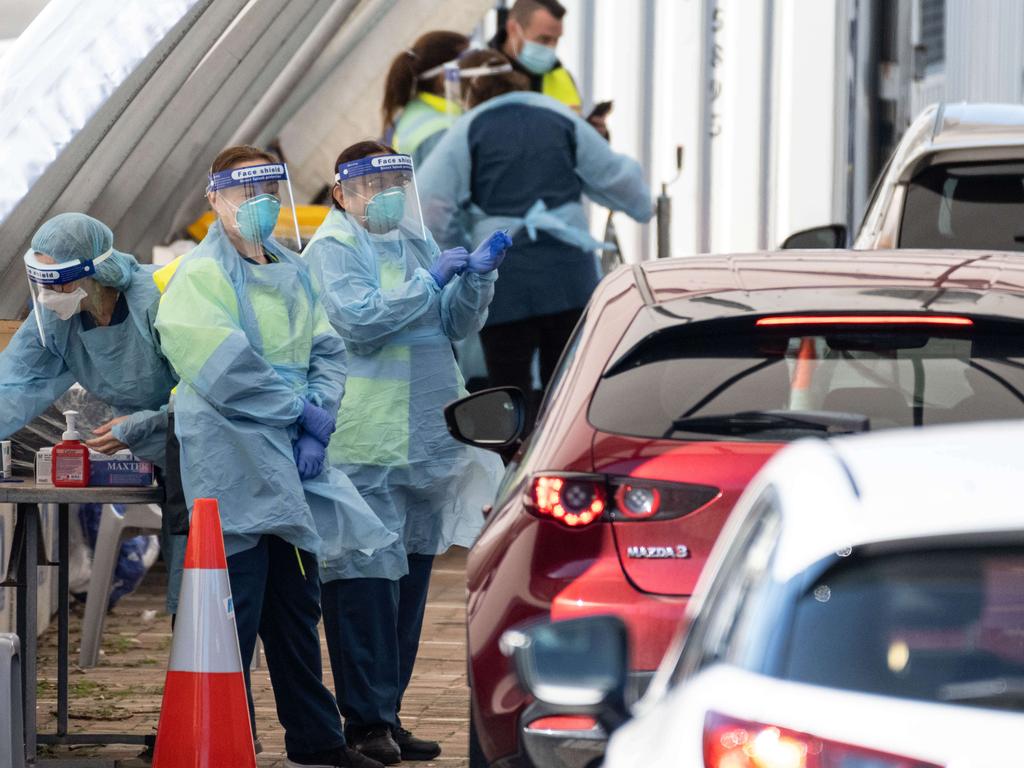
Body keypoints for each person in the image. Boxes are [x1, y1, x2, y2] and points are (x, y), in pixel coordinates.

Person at [155, 144, 393, 768]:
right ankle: (214, 738)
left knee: (295, 606)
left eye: (266, 195)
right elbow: (224, 370)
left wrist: (320, 419)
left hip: (288, 462)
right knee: (231, 607)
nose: (256, 208)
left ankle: (317, 740)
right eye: (243, 196)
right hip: (227, 461)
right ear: (215, 201)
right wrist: (300, 414)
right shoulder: (199, 278)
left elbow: (327, 350)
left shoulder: (292, 269)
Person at [303, 141, 507, 765]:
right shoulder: (331, 251)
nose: (386, 193)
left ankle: (387, 712)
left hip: (424, 440)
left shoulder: (415, 243)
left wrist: (478, 278)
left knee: (409, 582)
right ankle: (363, 721)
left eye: (396, 180)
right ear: (342, 193)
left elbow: (455, 325)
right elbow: (359, 321)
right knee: (362, 580)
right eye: (372, 184)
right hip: (362, 440)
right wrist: (431, 281)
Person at [418, 50, 652, 422]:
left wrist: (459, 257)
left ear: (470, 94)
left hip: (503, 277)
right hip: (569, 275)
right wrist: (643, 206)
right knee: (570, 387)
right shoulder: (560, 117)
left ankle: (512, 466)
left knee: (506, 393)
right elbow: (617, 180)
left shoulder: (469, 128)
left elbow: (431, 206)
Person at [490, 0, 610, 137]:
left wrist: (596, 136)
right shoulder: (481, 76)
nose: (551, 48)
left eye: (556, 40)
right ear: (512, 29)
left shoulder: (562, 77)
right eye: (544, 39)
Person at [382, 31, 469, 167]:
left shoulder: (415, 112)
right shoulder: (439, 130)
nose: (477, 66)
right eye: (468, 59)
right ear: (444, 74)